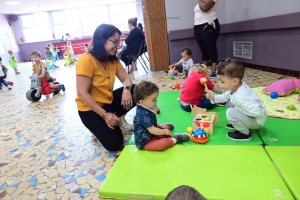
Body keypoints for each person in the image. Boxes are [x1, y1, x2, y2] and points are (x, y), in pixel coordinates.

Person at [76, 24, 135, 151]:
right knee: (114, 144)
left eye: (119, 42)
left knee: (136, 91)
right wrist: (105, 115)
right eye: (115, 41)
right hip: (90, 110)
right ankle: (98, 126)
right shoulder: (86, 60)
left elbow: (126, 78)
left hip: (108, 102)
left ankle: (117, 117)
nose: (117, 46)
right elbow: (82, 92)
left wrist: (127, 90)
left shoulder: (112, 59)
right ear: (102, 40)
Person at [206, 59, 267, 141]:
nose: (220, 85)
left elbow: (257, 112)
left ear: (235, 81)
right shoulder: (235, 87)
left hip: (256, 121)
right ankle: (239, 123)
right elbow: (225, 96)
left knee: (230, 112)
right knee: (230, 103)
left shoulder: (242, 97)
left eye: (222, 82)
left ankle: (245, 133)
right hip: (248, 115)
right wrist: (213, 97)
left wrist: (239, 109)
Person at [133, 81, 190, 151]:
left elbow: (150, 121)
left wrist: (159, 125)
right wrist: (164, 132)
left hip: (151, 133)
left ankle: (165, 132)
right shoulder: (143, 114)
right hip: (145, 142)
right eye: (154, 100)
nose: (156, 101)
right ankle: (176, 139)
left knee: (162, 131)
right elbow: (153, 130)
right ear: (142, 102)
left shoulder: (146, 107)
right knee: (162, 144)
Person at [194, 0, 220, 78]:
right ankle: (204, 69)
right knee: (203, 48)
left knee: (211, 47)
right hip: (198, 26)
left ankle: (214, 71)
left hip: (209, 24)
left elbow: (205, 7)